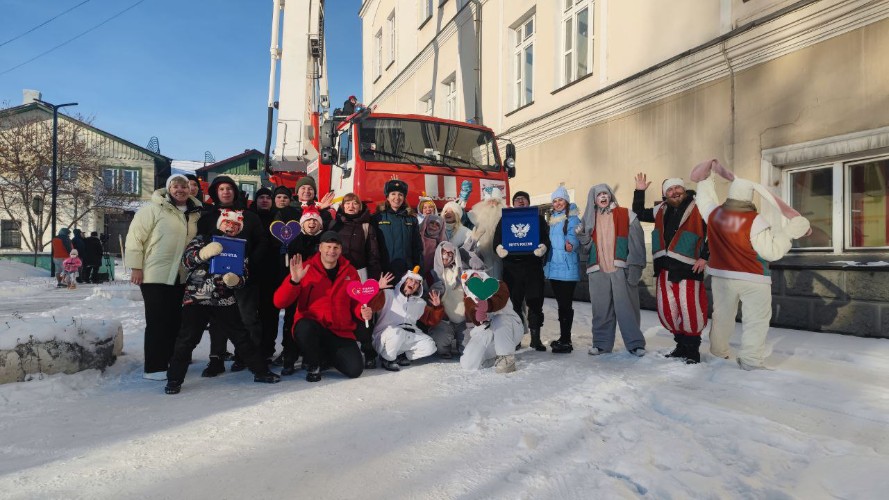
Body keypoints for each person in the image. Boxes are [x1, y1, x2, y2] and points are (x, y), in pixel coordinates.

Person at [691, 159, 810, 370]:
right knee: (756, 320)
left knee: (722, 316)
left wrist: (706, 179)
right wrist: (791, 232)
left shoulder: (714, 214)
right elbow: (771, 252)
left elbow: (704, 199)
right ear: (749, 197)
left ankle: (718, 352)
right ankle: (751, 361)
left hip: (721, 277)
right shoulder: (754, 220)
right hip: (753, 278)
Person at [164, 210, 281, 394]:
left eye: (236, 225)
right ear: (220, 224)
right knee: (187, 339)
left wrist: (236, 280)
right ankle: (174, 379)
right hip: (197, 298)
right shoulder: (202, 239)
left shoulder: (239, 246)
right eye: (228, 223)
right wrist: (203, 254)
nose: (231, 227)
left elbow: (243, 274)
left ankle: (260, 371)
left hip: (224, 300)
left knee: (241, 337)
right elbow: (186, 261)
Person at [125, 174, 202, 380]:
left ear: (190, 189)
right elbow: (135, 238)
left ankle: (171, 361)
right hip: (154, 274)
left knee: (176, 321)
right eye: (175, 186)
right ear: (168, 189)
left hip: (181, 275)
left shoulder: (195, 213)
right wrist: (136, 266)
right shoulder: (152, 209)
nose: (180, 190)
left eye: (184, 186)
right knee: (157, 321)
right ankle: (154, 367)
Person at [632, 173, 709, 363]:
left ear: (684, 189)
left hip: (689, 267)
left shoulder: (699, 206)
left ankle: (692, 351)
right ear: (665, 194)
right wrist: (640, 191)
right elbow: (638, 213)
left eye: (677, 188)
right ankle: (681, 346)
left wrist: (705, 257)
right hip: (664, 267)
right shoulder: (661, 209)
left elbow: (714, 232)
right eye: (670, 190)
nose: (674, 192)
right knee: (669, 310)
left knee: (690, 310)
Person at [197, 175, 268, 376]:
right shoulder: (208, 217)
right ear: (215, 193)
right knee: (218, 320)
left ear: (235, 192)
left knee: (248, 318)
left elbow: (262, 241)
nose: (226, 192)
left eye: (229, 188)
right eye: (221, 189)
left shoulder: (250, 217)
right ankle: (216, 359)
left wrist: (249, 263)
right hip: (216, 277)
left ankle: (245, 357)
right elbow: (201, 243)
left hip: (245, 276)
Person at [273, 231, 366, 382]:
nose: (332, 251)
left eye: (336, 247)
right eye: (328, 246)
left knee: (354, 370)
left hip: (340, 330)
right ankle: (313, 364)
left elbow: (356, 302)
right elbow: (279, 302)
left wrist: (362, 312)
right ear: (320, 248)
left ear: (341, 250)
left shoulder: (350, 271)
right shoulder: (304, 269)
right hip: (313, 328)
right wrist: (294, 282)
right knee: (304, 327)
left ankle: (326, 356)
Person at [577, 184, 647, 357]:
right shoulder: (588, 219)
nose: (603, 197)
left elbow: (637, 243)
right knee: (600, 310)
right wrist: (583, 238)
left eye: (605, 193)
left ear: (610, 196)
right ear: (593, 199)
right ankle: (601, 344)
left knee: (627, 309)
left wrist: (635, 266)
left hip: (621, 269)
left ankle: (635, 344)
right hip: (597, 270)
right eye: (599, 194)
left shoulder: (627, 214)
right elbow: (585, 250)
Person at [331, 192, 383, 368]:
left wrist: (374, 280)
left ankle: (368, 351)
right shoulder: (335, 224)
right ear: (342, 206)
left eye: (355, 203)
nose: (351, 206)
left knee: (363, 312)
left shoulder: (367, 226)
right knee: (340, 310)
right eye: (347, 203)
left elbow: (373, 254)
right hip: (339, 275)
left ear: (360, 207)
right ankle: (340, 349)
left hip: (360, 274)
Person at [494, 190, 550, 351]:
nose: (520, 201)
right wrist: (499, 248)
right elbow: (497, 240)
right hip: (512, 268)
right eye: (517, 199)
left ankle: (535, 339)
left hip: (533, 267)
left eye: (523, 199)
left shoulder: (538, 219)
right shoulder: (505, 219)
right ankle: (517, 338)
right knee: (514, 305)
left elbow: (545, 238)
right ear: (513, 203)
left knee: (535, 302)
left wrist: (543, 247)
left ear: (528, 202)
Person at [364, 266, 443, 371]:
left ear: (419, 287)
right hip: (387, 336)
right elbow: (370, 306)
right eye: (411, 280)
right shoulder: (388, 294)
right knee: (397, 333)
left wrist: (437, 307)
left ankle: (402, 355)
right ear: (404, 281)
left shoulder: (420, 303)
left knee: (430, 346)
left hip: (408, 335)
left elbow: (432, 320)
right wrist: (378, 289)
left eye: (417, 283)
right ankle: (387, 358)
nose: (413, 284)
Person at [460, 270, 524, 373]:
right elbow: (472, 314)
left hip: (509, 328)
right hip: (487, 330)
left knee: (499, 318)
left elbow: (501, 299)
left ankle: (506, 358)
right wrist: (478, 316)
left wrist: (488, 305)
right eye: (471, 280)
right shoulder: (469, 298)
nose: (476, 281)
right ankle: (495, 358)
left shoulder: (497, 285)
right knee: (468, 363)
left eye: (477, 277)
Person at [543, 185, 582, 353]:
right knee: (561, 305)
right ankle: (563, 337)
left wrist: (571, 244)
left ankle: (567, 341)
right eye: (555, 201)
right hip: (554, 267)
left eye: (561, 200)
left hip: (566, 267)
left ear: (566, 201)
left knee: (565, 305)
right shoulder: (553, 219)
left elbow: (575, 235)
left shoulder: (572, 218)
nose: (558, 203)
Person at [251, 187, 282, 363]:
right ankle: (250, 349)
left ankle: (267, 348)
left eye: (267, 198)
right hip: (251, 272)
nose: (264, 200)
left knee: (270, 314)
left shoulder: (277, 218)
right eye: (261, 197)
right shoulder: (249, 217)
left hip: (272, 273)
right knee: (250, 315)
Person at [373, 179, 423, 280]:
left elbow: (417, 247)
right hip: (385, 274)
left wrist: (417, 270)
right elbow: (372, 248)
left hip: (407, 273)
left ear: (404, 198)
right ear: (387, 197)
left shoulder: (411, 219)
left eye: (400, 194)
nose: (397, 197)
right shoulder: (377, 218)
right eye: (393, 194)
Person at [428, 241, 470, 358]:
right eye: (444, 252)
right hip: (444, 320)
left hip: (463, 320)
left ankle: (462, 343)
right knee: (440, 345)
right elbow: (426, 302)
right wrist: (434, 299)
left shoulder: (462, 272)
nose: (446, 255)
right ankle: (445, 348)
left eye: (450, 253)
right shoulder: (431, 275)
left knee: (468, 350)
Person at [465, 187, 506, 279]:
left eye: (494, 201)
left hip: (500, 256)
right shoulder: (473, 217)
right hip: (479, 256)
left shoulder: (505, 217)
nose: (492, 204)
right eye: (489, 201)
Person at [419, 214, 446, 284]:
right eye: (431, 223)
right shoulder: (417, 237)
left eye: (437, 224)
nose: (434, 225)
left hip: (429, 277)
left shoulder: (442, 244)